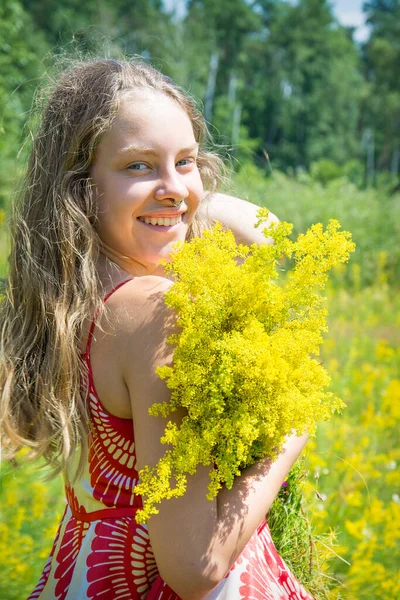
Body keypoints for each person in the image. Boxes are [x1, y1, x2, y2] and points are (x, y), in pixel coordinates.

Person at [0, 58, 313, 600]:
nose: (173, 187)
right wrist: (292, 433)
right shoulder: (156, 312)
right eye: (138, 165)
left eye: (187, 161)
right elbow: (196, 567)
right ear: (81, 189)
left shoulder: (68, 301)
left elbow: (267, 234)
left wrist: (171, 199)